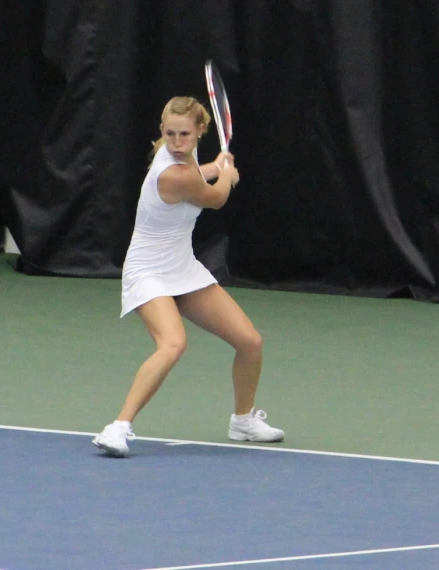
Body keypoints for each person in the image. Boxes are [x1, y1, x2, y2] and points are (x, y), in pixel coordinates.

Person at [93, 96, 284, 457]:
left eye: (184, 134)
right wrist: (226, 174)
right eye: (169, 134)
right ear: (162, 132)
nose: (177, 143)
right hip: (148, 271)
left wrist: (213, 165)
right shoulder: (174, 172)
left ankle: (243, 421)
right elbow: (214, 198)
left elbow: (200, 174)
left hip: (182, 267)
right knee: (173, 344)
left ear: (199, 131)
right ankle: (118, 427)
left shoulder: (186, 161)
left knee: (250, 342)